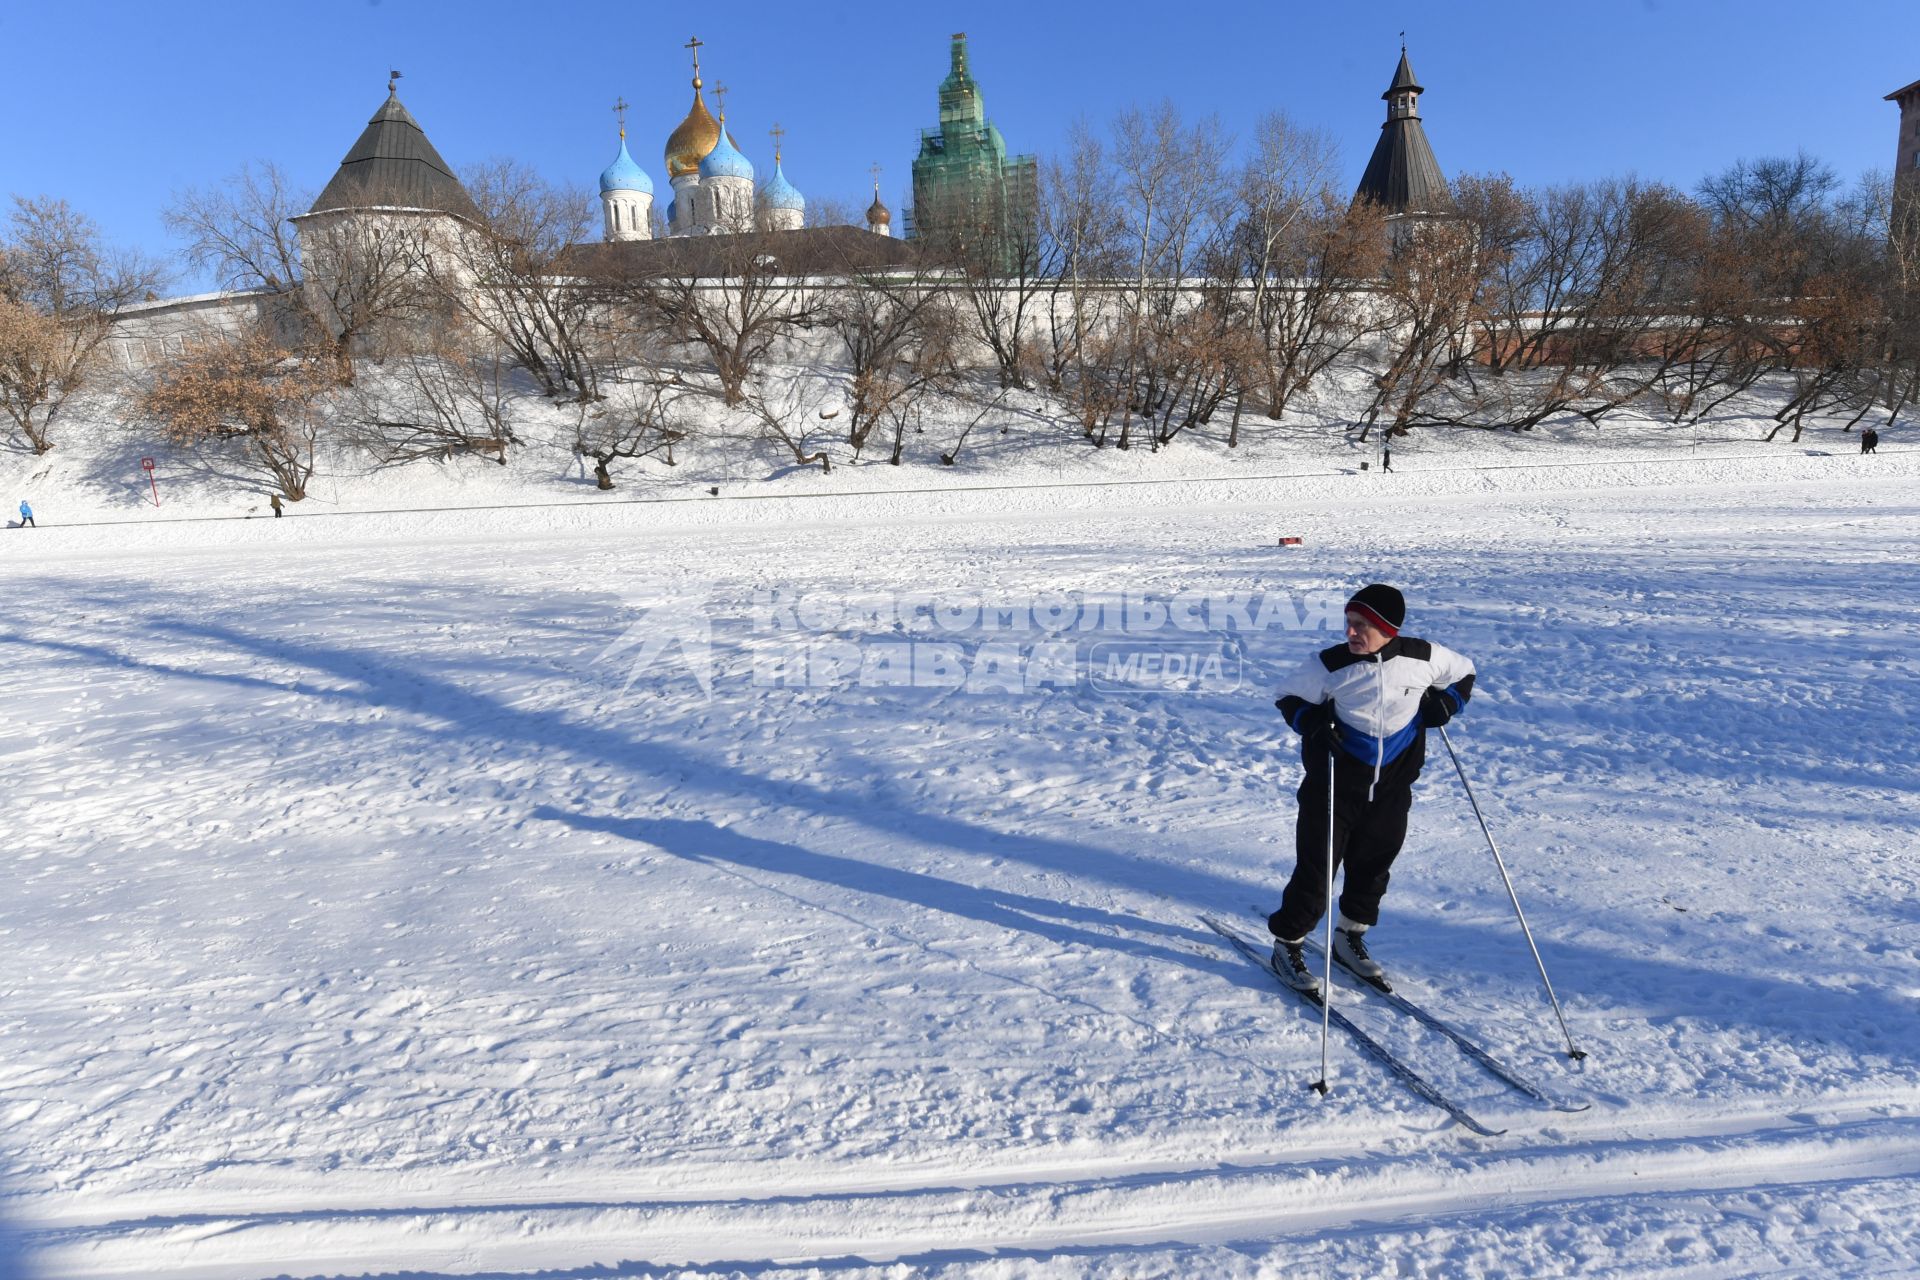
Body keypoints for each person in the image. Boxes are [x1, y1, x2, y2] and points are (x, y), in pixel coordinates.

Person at [1268, 583, 1476, 995]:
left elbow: (1465, 672)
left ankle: (1348, 938)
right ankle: (1287, 943)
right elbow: (1287, 695)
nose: (1350, 633)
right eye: (1348, 623)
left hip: (1393, 786)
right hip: (1334, 787)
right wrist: (1310, 722)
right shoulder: (1329, 665)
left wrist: (1448, 704)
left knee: (1374, 865)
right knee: (1317, 869)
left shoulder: (1423, 657)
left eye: (1361, 625)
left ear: (1387, 628)